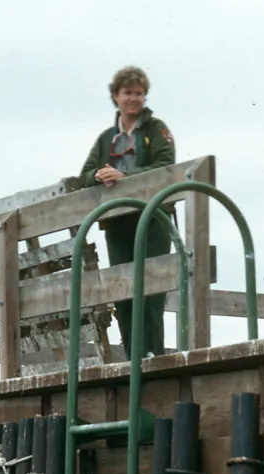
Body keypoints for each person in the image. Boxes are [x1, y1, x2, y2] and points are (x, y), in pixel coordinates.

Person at [79, 65, 176, 357]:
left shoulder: (156, 130)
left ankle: (152, 356)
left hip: (152, 218)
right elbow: (85, 174)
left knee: (151, 289)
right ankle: (133, 355)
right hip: (117, 222)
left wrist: (126, 177)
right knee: (122, 291)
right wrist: (99, 175)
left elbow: (165, 167)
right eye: (128, 93)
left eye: (139, 93)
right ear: (115, 96)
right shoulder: (106, 138)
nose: (133, 98)